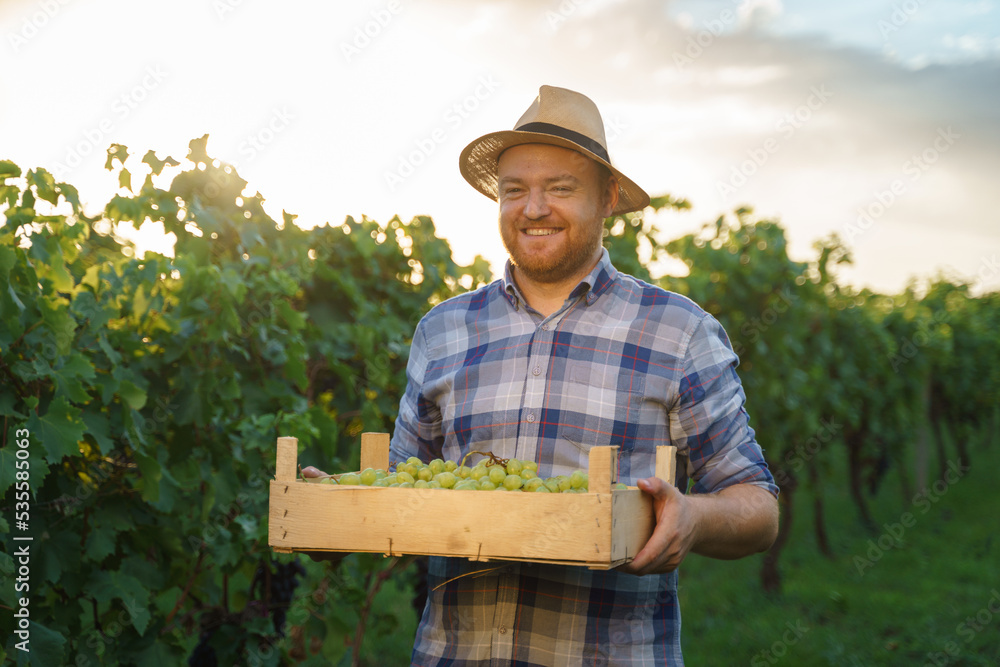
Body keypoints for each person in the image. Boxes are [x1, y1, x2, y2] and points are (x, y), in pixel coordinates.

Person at [311, 85, 779, 665]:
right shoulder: (442, 330)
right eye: (515, 191)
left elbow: (758, 507)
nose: (533, 209)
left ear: (608, 197)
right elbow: (407, 489)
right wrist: (338, 510)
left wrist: (693, 519)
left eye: (560, 188)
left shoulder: (677, 331)